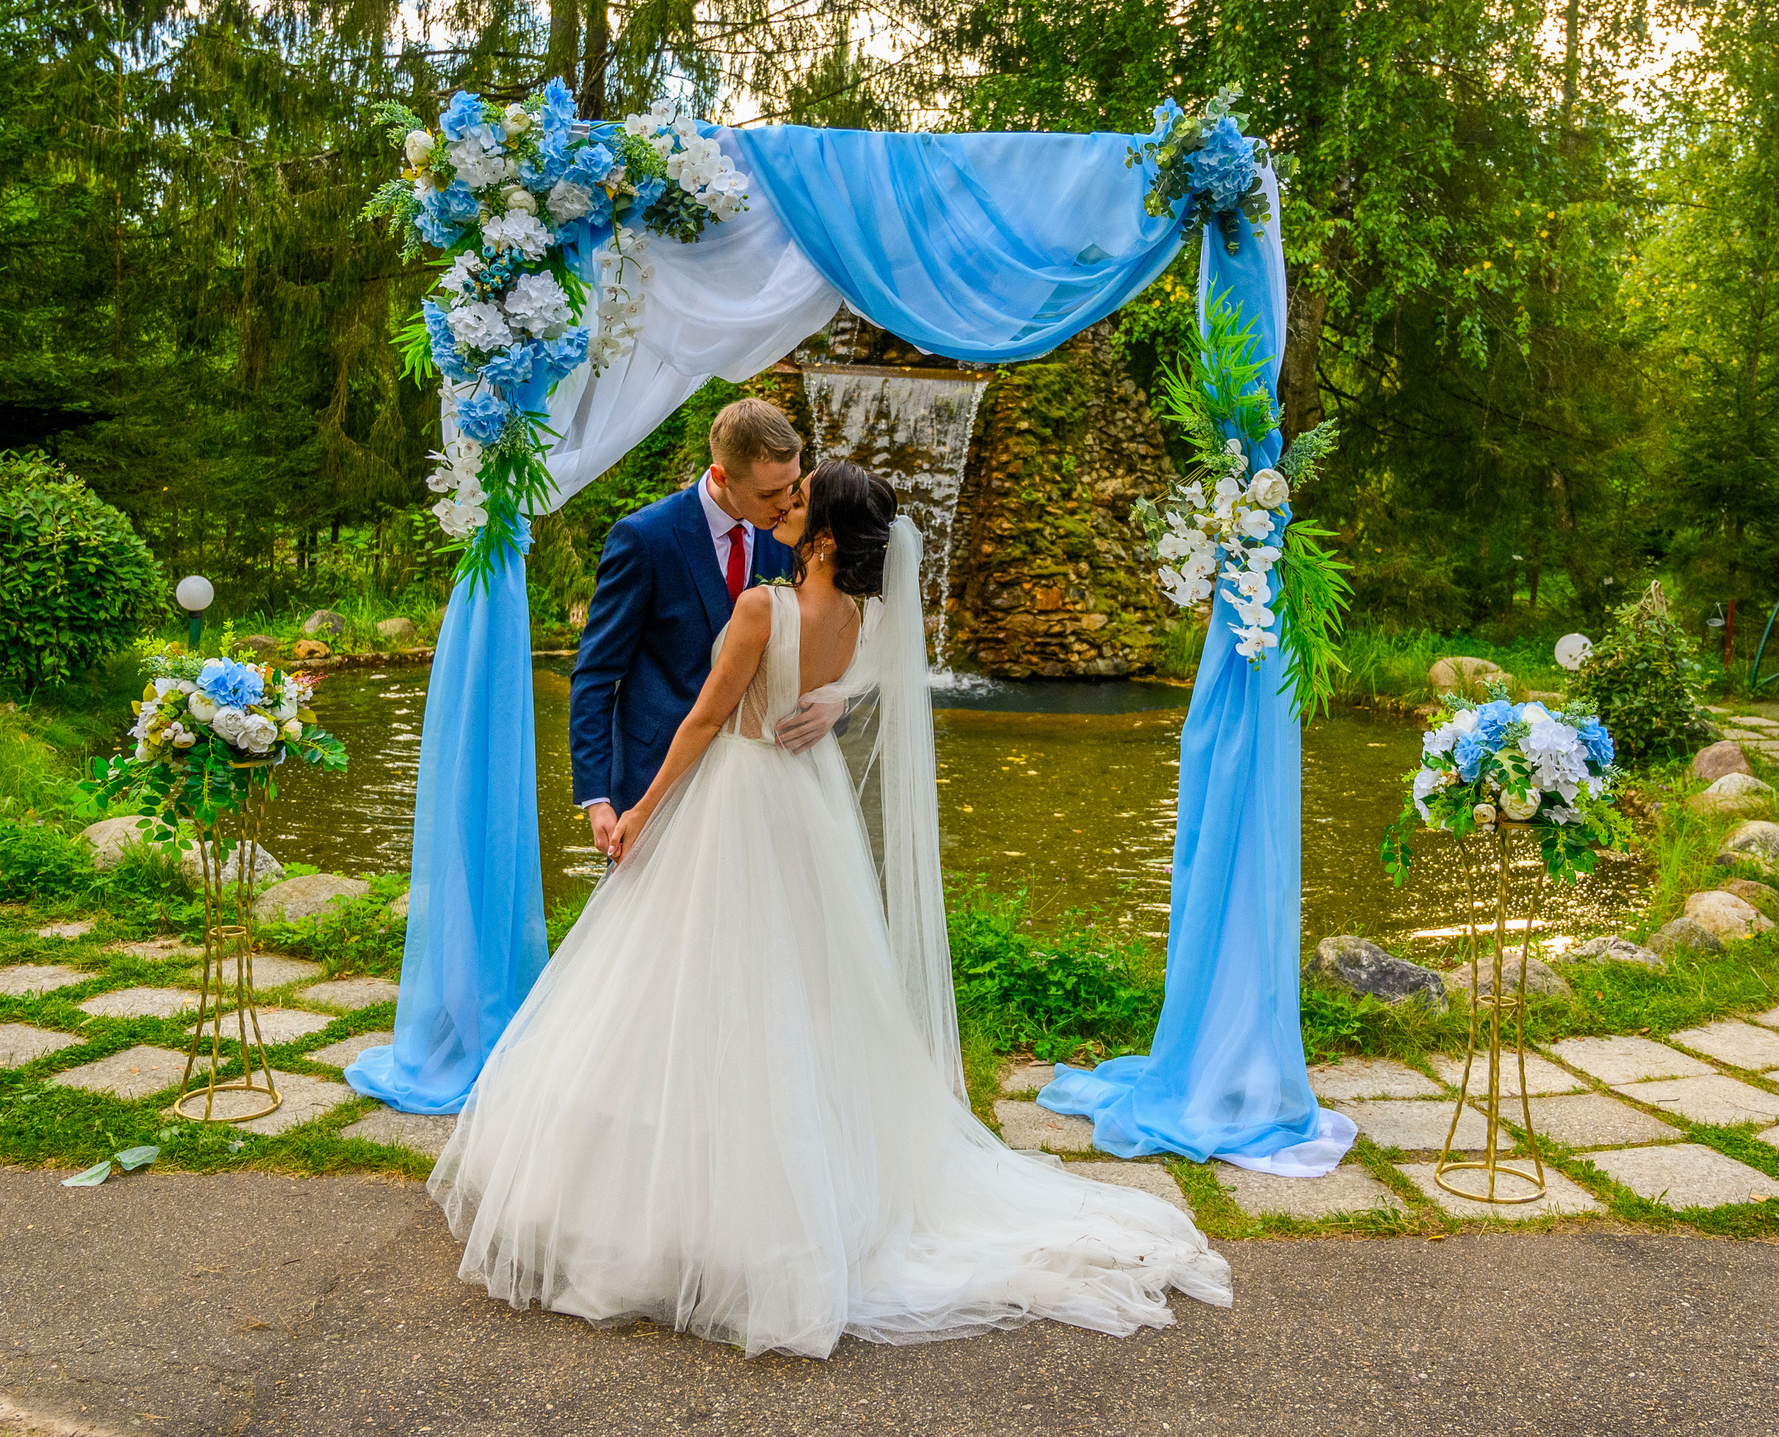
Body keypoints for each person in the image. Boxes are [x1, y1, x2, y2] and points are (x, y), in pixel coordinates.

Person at [430, 461, 1231, 1358]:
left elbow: (701, 723)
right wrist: (834, 699)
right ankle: (808, 1184)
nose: (784, 505)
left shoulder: (761, 610)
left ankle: (696, 1204)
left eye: (799, 500)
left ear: (819, 536)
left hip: (734, 803)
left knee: (696, 987)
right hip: (808, 809)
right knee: (803, 995)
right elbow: (858, 683)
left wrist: (641, 815)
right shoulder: (860, 616)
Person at [568, 397, 842, 854]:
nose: (785, 505)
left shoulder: (796, 538)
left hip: (754, 784)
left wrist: (838, 700)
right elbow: (596, 674)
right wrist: (597, 798)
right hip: (653, 773)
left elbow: (827, 636)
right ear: (720, 476)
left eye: (791, 486)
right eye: (768, 494)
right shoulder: (644, 539)